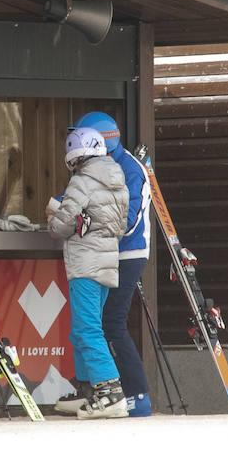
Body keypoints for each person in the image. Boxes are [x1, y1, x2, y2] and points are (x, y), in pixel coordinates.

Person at [73, 111, 154, 417]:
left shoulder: (131, 169)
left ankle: (135, 395)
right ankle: (96, 389)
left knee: (111, 323)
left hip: (127, 254)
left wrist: (87, 224)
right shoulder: (95, 167)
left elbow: (128, 219)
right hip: (104, 255)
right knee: (95, 323)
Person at [46, 126, 129, 419]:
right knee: (82, 329)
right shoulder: (117, 181)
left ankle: (110, 393)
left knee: (88, 329)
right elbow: (121, 225)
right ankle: (88, 390)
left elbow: (62, 225)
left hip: (85, 264)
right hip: (108, 262)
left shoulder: (81, 181)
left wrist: (53, 217)